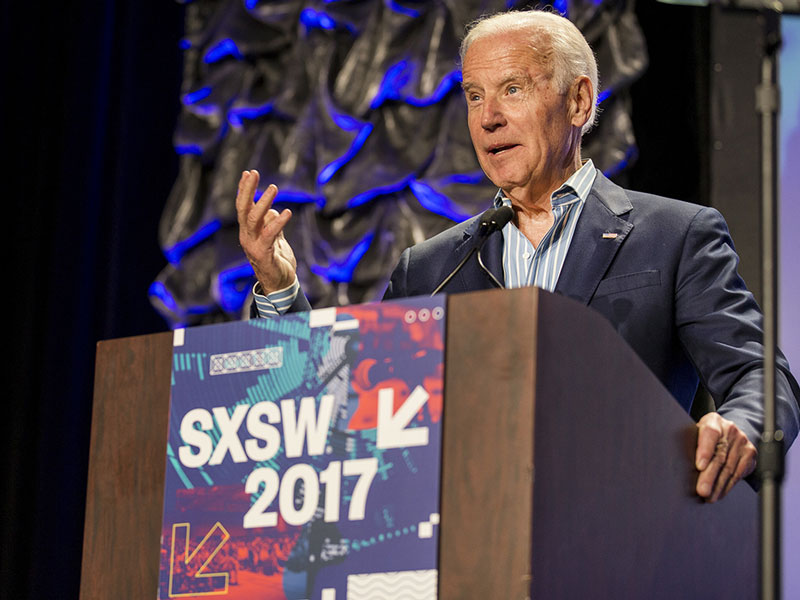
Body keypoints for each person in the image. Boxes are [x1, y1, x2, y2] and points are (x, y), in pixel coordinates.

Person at [235, 9, 800, 503]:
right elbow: (349, 407)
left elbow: (759, 374)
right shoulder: (431, 269)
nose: (487, 119)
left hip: (623, 541)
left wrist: (742, 427)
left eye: (512, 89)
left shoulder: (674, 235)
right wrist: (281, 290)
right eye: (474, 96)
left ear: (578, 101)